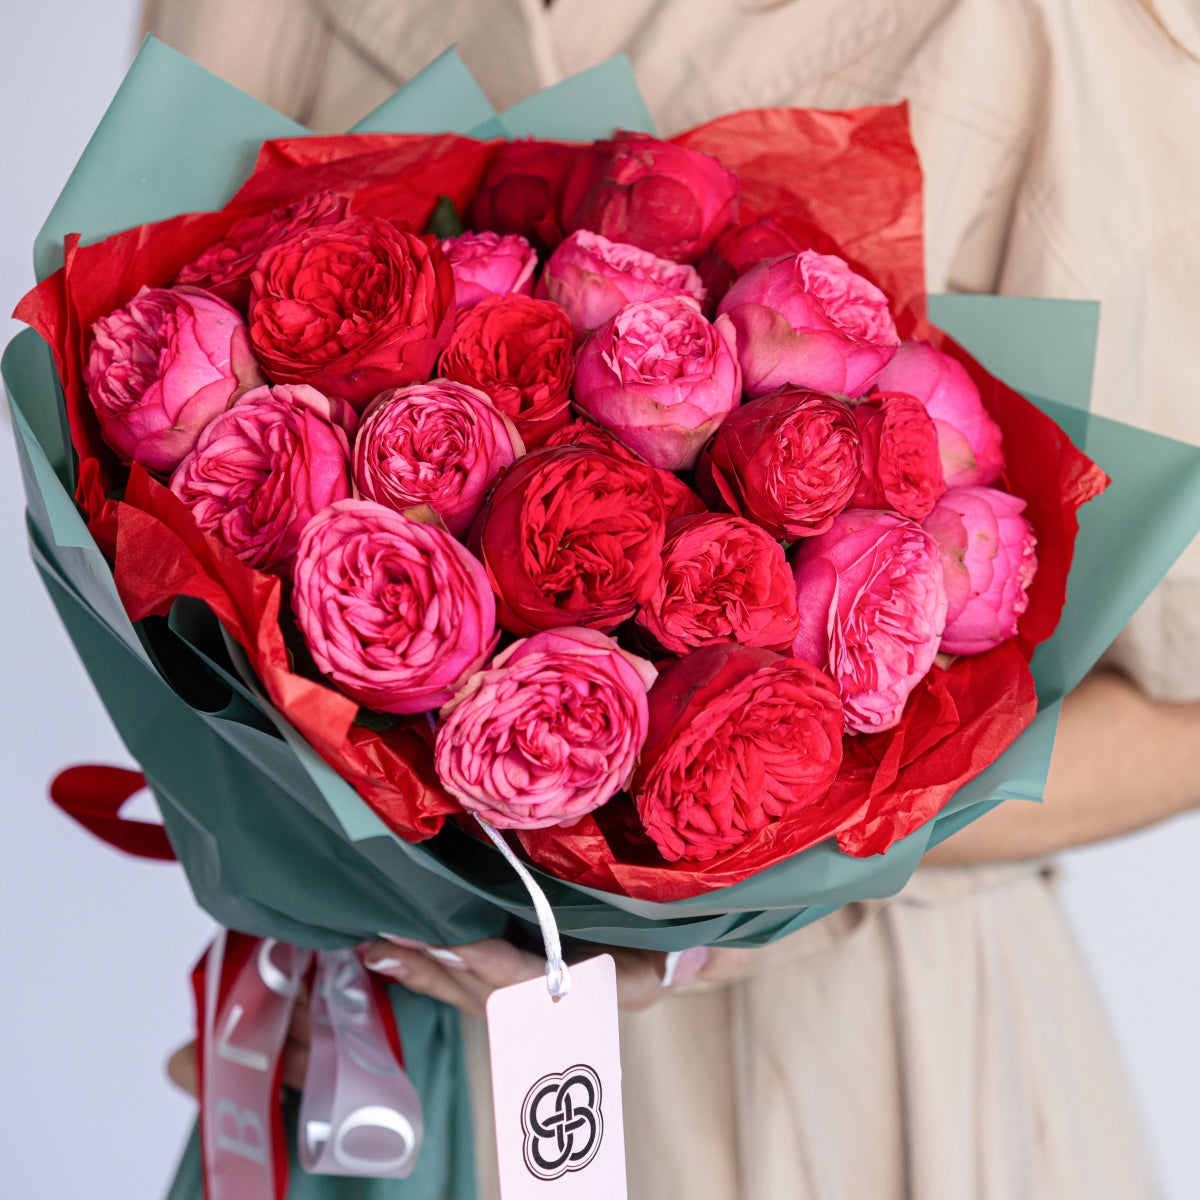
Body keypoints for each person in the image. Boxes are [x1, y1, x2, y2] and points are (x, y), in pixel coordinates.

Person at [145, 1, 1200, 1195]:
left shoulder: (1055, 35)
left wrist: (730, 858)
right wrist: (310, 848)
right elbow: (144, 481)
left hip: (826, 1071)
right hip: (373, 1045)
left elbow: (1190, 716)